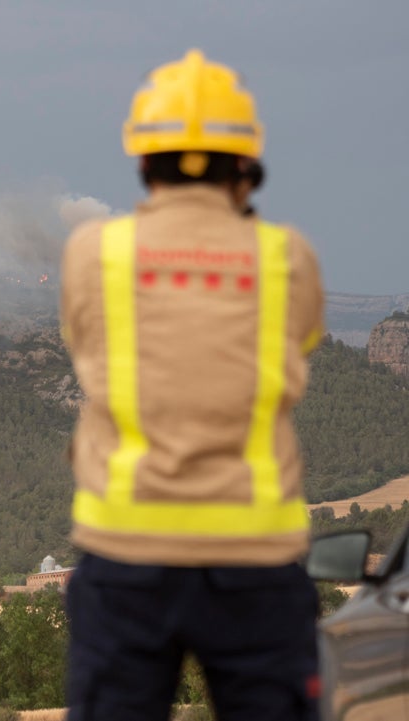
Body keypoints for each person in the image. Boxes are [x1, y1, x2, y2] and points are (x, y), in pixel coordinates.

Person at [59, 49, 324, 721]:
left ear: (144, 161)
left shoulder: (94, 253)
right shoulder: (287, 257)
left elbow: (84, 344)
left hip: (125, 557)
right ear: (246, 166)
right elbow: (301, 342)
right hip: (256, 558)